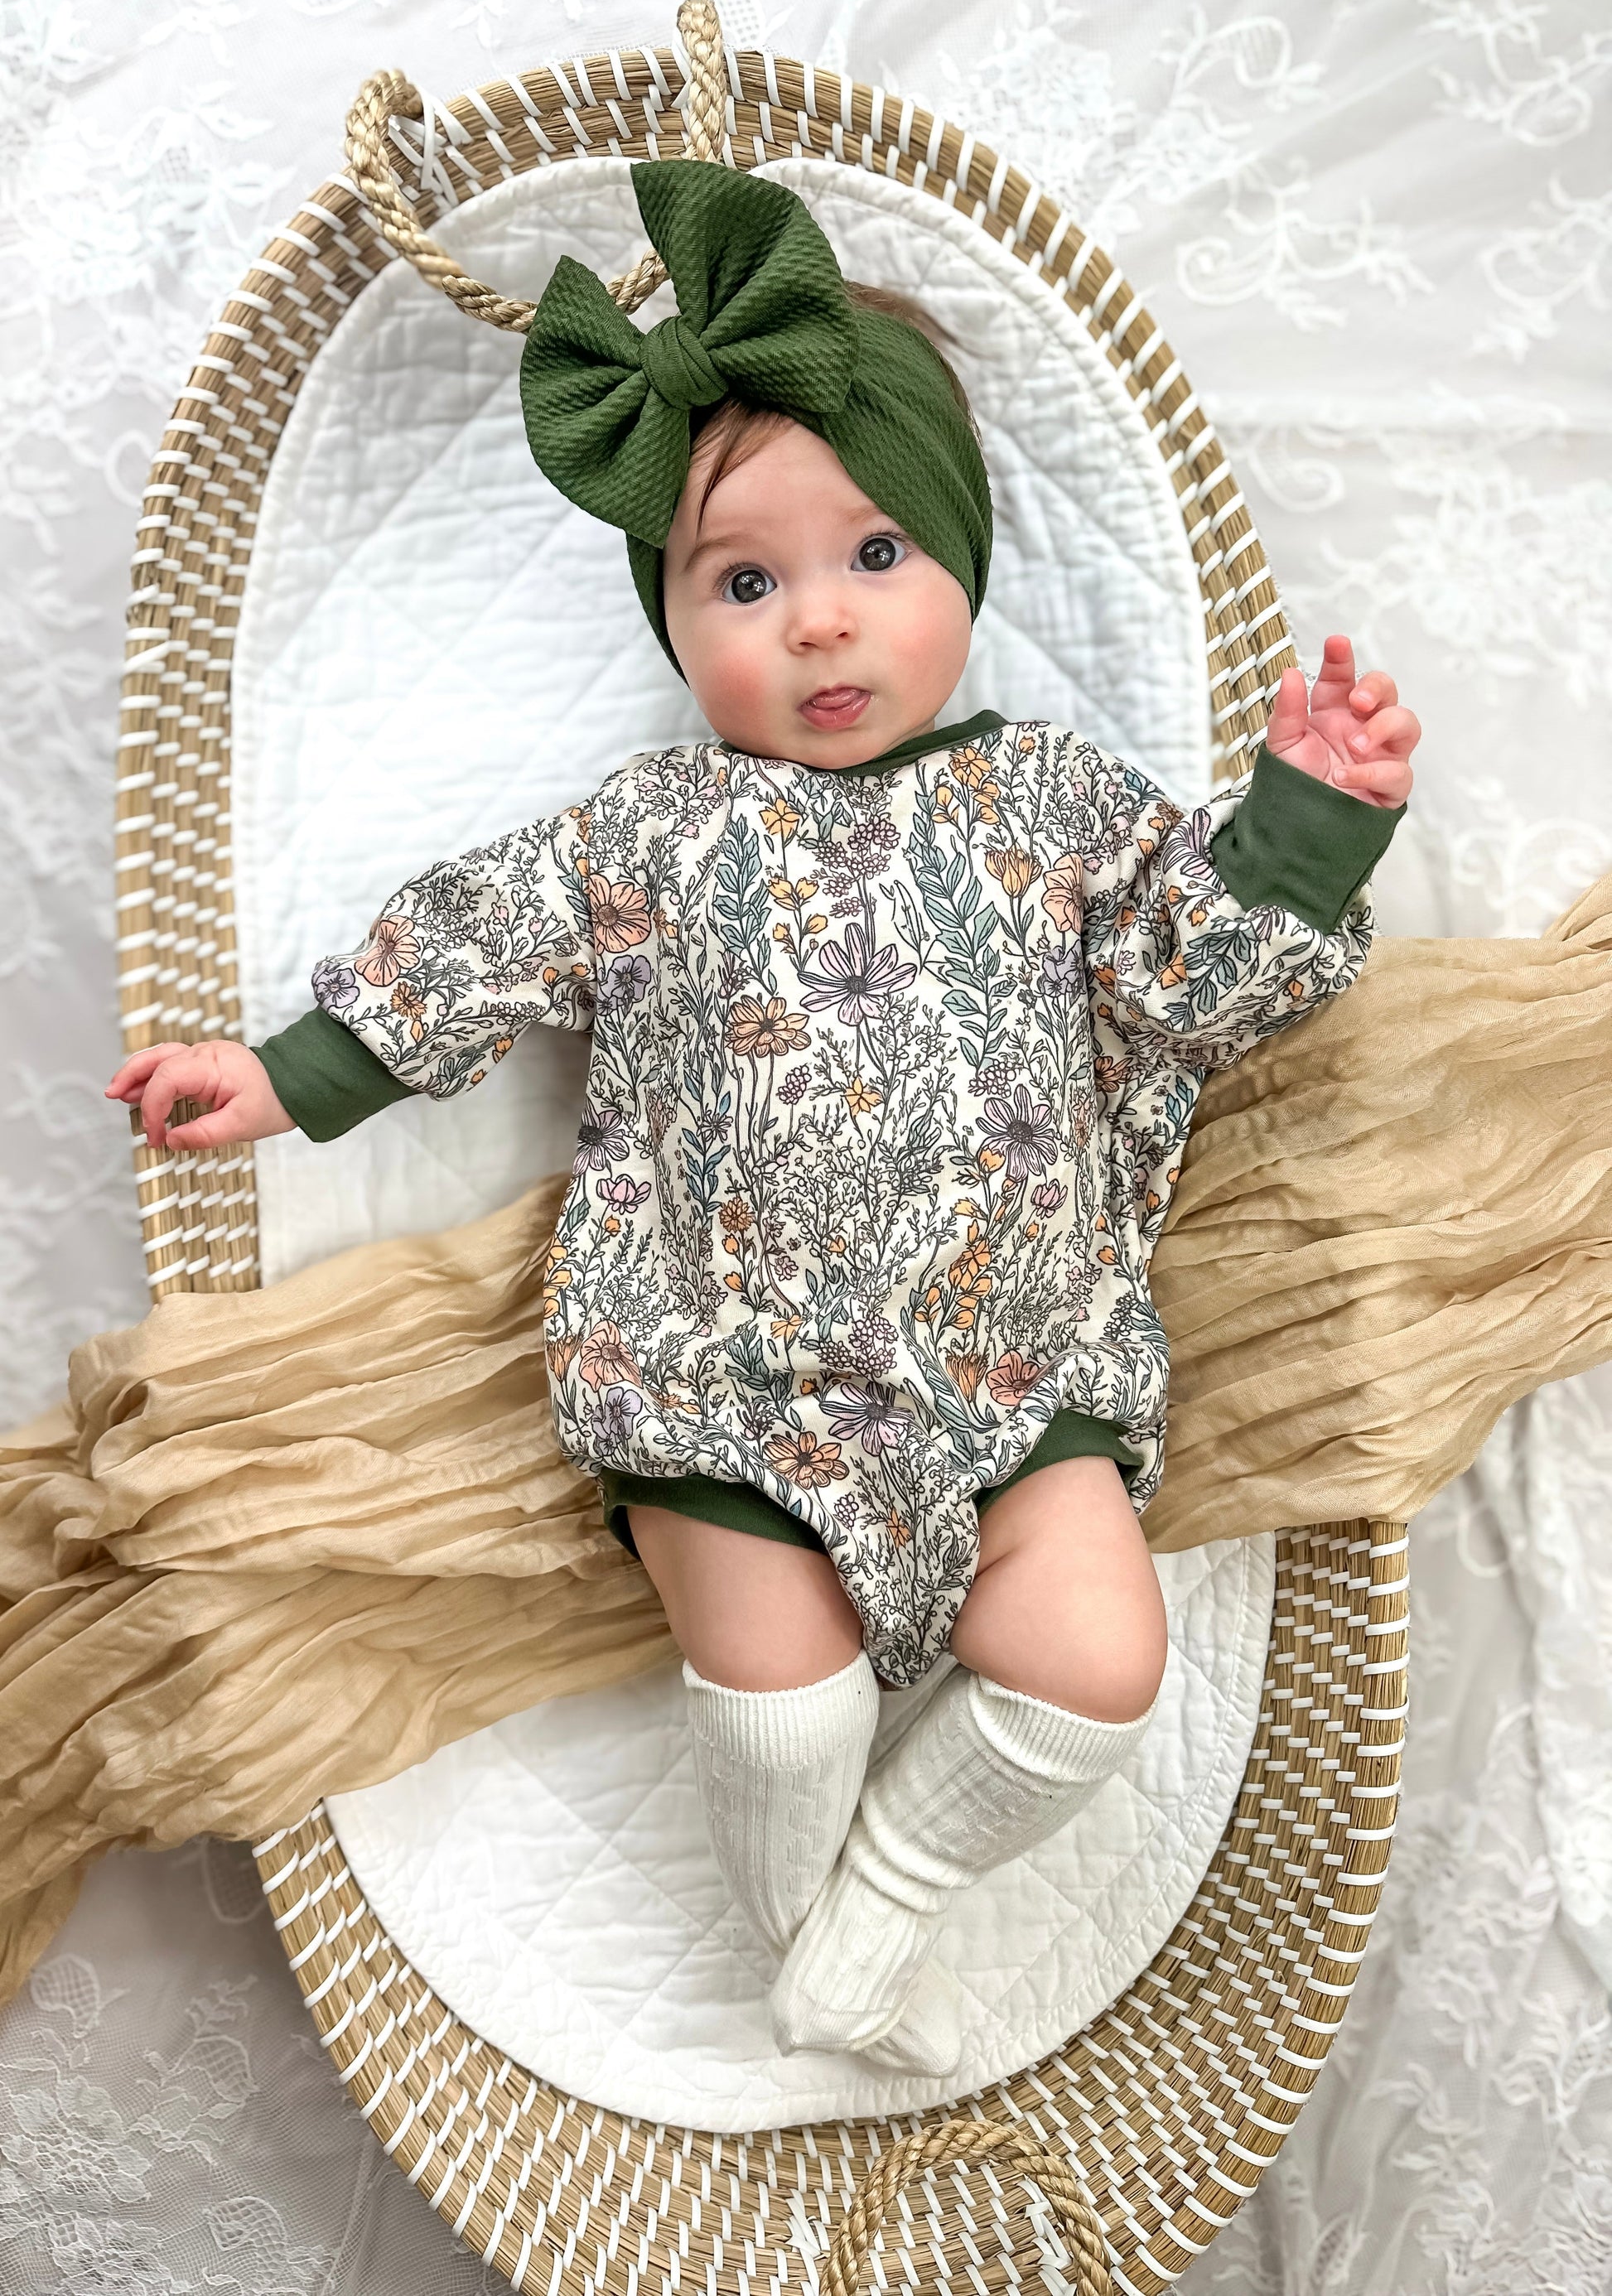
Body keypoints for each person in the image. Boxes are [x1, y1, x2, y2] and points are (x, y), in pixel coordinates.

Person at [105, 160, 1417, 2078]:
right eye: (746, 581)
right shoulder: (652, 831)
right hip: (712, 1361)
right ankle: (803, 1925)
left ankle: (873, 1904)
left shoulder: (1056, 804)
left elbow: (1196, 975)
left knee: (1094, 1656)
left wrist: (1306, 817)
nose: (818, 625)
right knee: (785, 1702)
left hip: (1006, 1357)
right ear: (676, 615)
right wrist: (293, 1073)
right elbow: (480, 942)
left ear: (964, 567)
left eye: (876, 555)